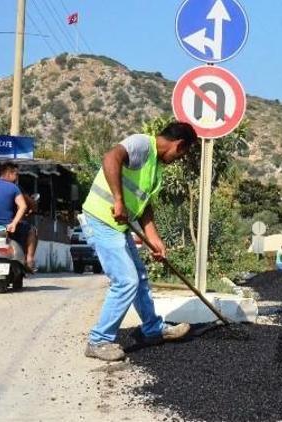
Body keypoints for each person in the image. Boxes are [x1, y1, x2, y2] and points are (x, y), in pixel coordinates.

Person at [80, 121, 197, 362]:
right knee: (126, 281)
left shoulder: (156, 167)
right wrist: (119, 200)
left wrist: (155, 240)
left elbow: (144, 208)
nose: (179, 158)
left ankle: (152, 329)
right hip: (102, 219)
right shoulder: (142, 144)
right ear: (179, 144)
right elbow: (110, 158)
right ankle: (98, 340)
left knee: (140, 278)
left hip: (119, 225)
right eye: (182, 153)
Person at [0, 161, 38, 270]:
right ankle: (29, 260)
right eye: (16, 174)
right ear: (8, 174)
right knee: (32, 231)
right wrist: (31, 208)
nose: (17, 177)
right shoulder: (15, 189)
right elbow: (28, 204)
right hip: (12, 224)